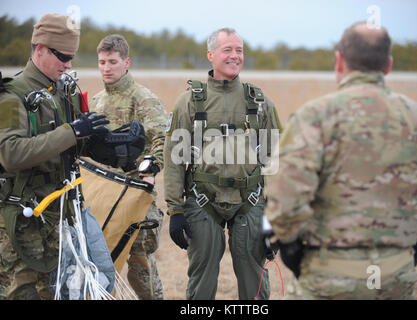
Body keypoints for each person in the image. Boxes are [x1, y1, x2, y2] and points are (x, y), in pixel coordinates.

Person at [264, 21, 417, 300]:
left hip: (327, 276)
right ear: (388, 65)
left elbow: (284, 194)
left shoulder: (316, 116)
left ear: (339, 61)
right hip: (395, 276)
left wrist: (290, 244)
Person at [163, 27, 283, 300]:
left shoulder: (260, 102)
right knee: (202, 281)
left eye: (239, 50)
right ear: (210, 55)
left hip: (250, 202)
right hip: (202, 200)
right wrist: (175, 210)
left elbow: (275, 161)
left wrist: (276, 214)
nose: (235, 56)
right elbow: (173, 158)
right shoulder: (189, 103)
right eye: (227, 49)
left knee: (255, 281)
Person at [0, 13, 111, 299]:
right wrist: (71, 132)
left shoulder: (64, 92)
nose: (68, 64)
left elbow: (75, 145)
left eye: (71, 56)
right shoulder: (11, 97)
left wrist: (117, 145)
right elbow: (10, 153)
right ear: (39, 49)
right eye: (62, 55)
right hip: (24, 224)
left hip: (63, 217)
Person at [89, 34, 168, 300]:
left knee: (140, 267)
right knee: (96, 265)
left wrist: (150, 171)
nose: (106, 68)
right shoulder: (96, 102)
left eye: (112, 61)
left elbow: (161, 141)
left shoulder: (144, 99)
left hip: (135, 195)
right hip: (100, 196)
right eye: (102, 62)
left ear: (127, 62)